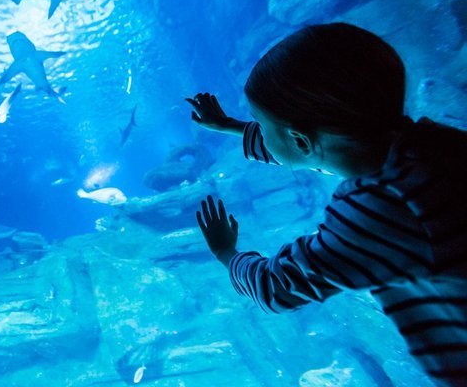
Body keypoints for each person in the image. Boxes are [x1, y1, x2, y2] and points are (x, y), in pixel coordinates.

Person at [186, 23, 467, 386]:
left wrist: (226, 253)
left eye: (260, 122)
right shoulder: (431, 146)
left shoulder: (381, 207)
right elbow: (311, 146)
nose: (258, 128)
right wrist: (229, 126)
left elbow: (277, 287)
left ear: (300, 140)